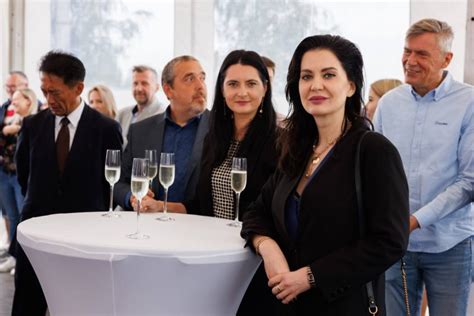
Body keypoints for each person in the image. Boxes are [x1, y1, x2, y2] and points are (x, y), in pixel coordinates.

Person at [241, 34, 410, 315]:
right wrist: (268, 248)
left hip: (344, 306)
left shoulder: (373, 150)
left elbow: (390, 241)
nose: (315, 85)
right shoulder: (296, 147)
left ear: (351, 85)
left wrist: (310, 276)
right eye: (306, 76)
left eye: (328, 75)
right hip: (287, 305)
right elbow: (257, 211)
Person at [374, 18, 474, 316]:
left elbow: (469, 182)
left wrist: (415, 220)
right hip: (395, 245)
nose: (410, 61)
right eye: (407, 51)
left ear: (447, 59)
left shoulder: (469, 103)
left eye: (422, 54)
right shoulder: (389, 104)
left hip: (450, 244)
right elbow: (377, 172)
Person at [12, 50, 123, 315]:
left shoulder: (106, 129)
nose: (49, 99)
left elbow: (112, 182)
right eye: (44, 91)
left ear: (78, 88)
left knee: (81, 306)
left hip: (85, 237)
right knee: (27, 304)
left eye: (56, 92)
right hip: (35, 232)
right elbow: (24, 175)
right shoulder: (32, 125)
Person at [114, 55, 209, 211]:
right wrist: (132, 196)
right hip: (146, 227)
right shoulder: (140, 131)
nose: (201, 86)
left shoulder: (219, 131)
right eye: (190, 79)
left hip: (198, 229)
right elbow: (118, 183)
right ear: (168, 90)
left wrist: (163, 207)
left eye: (202, 78)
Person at [0, 88, 38, 274]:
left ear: (29, 101)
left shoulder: (35, 122)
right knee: (12, 216)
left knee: (24, 217)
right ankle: (14, 256)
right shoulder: (11, 120)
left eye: (17, 101)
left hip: (22, 177)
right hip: (5, 173)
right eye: (12, 101)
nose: (12, 104)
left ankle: (23, 259)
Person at [116, 65, 165, 146]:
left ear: (157, 87)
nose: (139, 88)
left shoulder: (163, 114)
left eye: (144, 83)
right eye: (135, 83)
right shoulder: (122, 114)